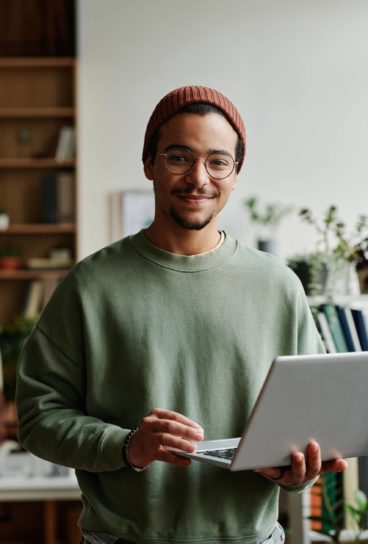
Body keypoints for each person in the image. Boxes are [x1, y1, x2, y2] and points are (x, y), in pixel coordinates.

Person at [16, 86, 347, 544]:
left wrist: (297, 472)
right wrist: (128, 445)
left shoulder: (279, 286)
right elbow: (37, 418)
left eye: (217, 161)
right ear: (149, 163)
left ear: (235, 174)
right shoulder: (89, 286)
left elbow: (310, 423)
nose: (199, 178)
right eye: (178, 157)